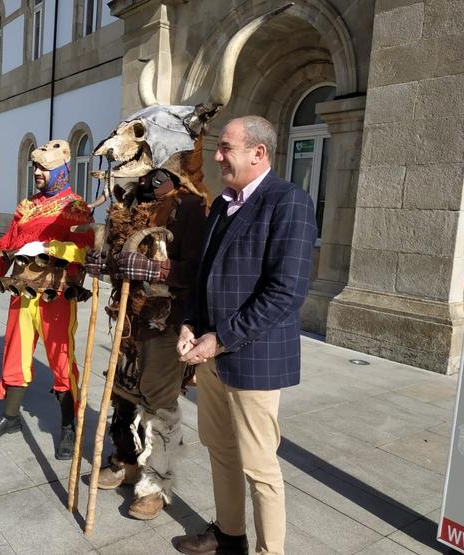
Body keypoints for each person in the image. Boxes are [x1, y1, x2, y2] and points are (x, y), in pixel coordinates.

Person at [173, 116, 317, 555]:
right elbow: (204, 274)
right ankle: (229, 536)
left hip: (253, 356)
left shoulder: (288, 202)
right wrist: (190, 324)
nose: (216, 157)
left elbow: (285, 293)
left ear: (259, 153)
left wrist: (220, 338)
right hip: (211, 353)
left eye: (226, 149)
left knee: (259, 467)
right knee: (219, 448)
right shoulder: (222, 203)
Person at [85, 169, 206, 520]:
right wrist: (103, 262)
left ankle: (156, 485)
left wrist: (158, 271)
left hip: (167, 321)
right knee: (123, 390)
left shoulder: (191, 206)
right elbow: (121, 258)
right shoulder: (132, 202)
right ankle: (125, 461)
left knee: (158, 400)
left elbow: (199, 270)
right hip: (129, 316)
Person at [0, 139, 92, 460]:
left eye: (44, 168)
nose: (37, 172)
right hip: (21, 291)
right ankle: (10, 418)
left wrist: (47, 248)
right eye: (36, 167)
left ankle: (68, 427)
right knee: (15, 352)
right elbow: (8, 244)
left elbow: (84, 248)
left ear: (63, 170)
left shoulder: (75, 207)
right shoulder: (26, 206)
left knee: (61, 358)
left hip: (56, 292)